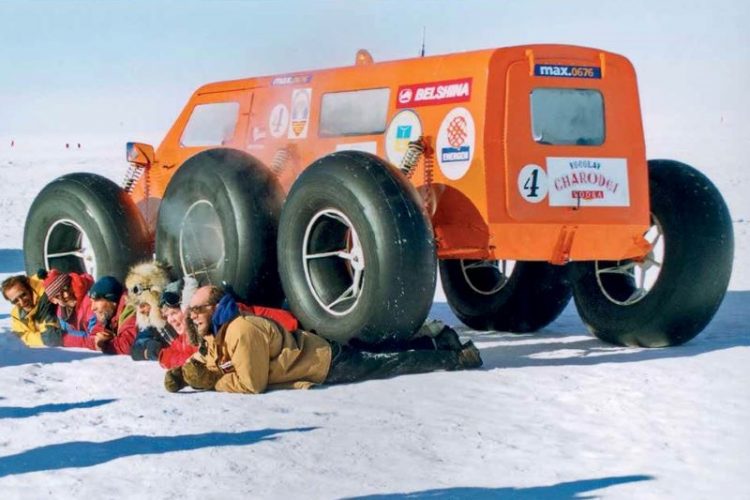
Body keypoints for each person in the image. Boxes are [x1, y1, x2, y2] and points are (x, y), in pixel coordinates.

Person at [164, 286, 482, 394]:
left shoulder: (241, 331)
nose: (190, 315)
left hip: (323, 363)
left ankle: (457, 357)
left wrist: (212, 383)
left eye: (197, 309)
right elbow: (210, 361)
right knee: (384, 352)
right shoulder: (216, 336)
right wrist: (184, 376)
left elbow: (251, 383)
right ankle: (440, 342)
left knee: (389, 363)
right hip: (314, 351)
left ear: (217, 307)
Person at [124, 261, 173, 361]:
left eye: (143, 305)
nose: (141, 311)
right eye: (138, 306)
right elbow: (136, 348)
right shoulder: (152, 323)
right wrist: (148, 346)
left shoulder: (175, 318)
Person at [2, 272, 59, 347]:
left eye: (23, 295)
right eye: (15, 301)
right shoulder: (17, 314)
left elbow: (51, 338)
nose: (22, 302)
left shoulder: (45, 299)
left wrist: (27, 337)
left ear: (29, 289)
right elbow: (17, 338)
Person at [42, 268, 95, 348]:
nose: (66, 295)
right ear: (54, 300)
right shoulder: (61, 312)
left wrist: (64, 337)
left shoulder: (91, 301)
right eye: (58, 296)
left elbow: (95, 339)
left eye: (66, 288)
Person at [156, 277, 200, 369]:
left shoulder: (201, 336)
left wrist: (176, 359)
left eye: (174, 313)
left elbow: (195, 362)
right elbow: (165, 356)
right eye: (167, 315)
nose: (170, 320)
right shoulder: (183, 337)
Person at [88, 276, 137, 355]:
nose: (92, 308)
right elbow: (93, 336)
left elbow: (127, 346)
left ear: (112, 300)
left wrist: (104, 344)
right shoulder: (109, 314)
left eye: (96, 301)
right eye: (91, 302)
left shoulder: (130, 310)